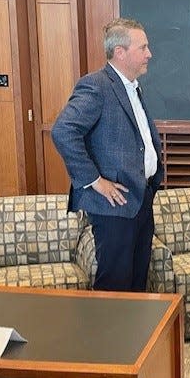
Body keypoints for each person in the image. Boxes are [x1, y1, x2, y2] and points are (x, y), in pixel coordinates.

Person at [52, 18, 164, 292]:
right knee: (114, 287)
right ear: (120, 52)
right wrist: (94, 180)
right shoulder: (97, 85)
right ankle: (109, 337)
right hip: (113, 205)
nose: (149, 54)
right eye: (143, 47)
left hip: (140, 198)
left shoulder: (133, 87)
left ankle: (136, 337)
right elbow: (63, 130)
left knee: (137, 283)